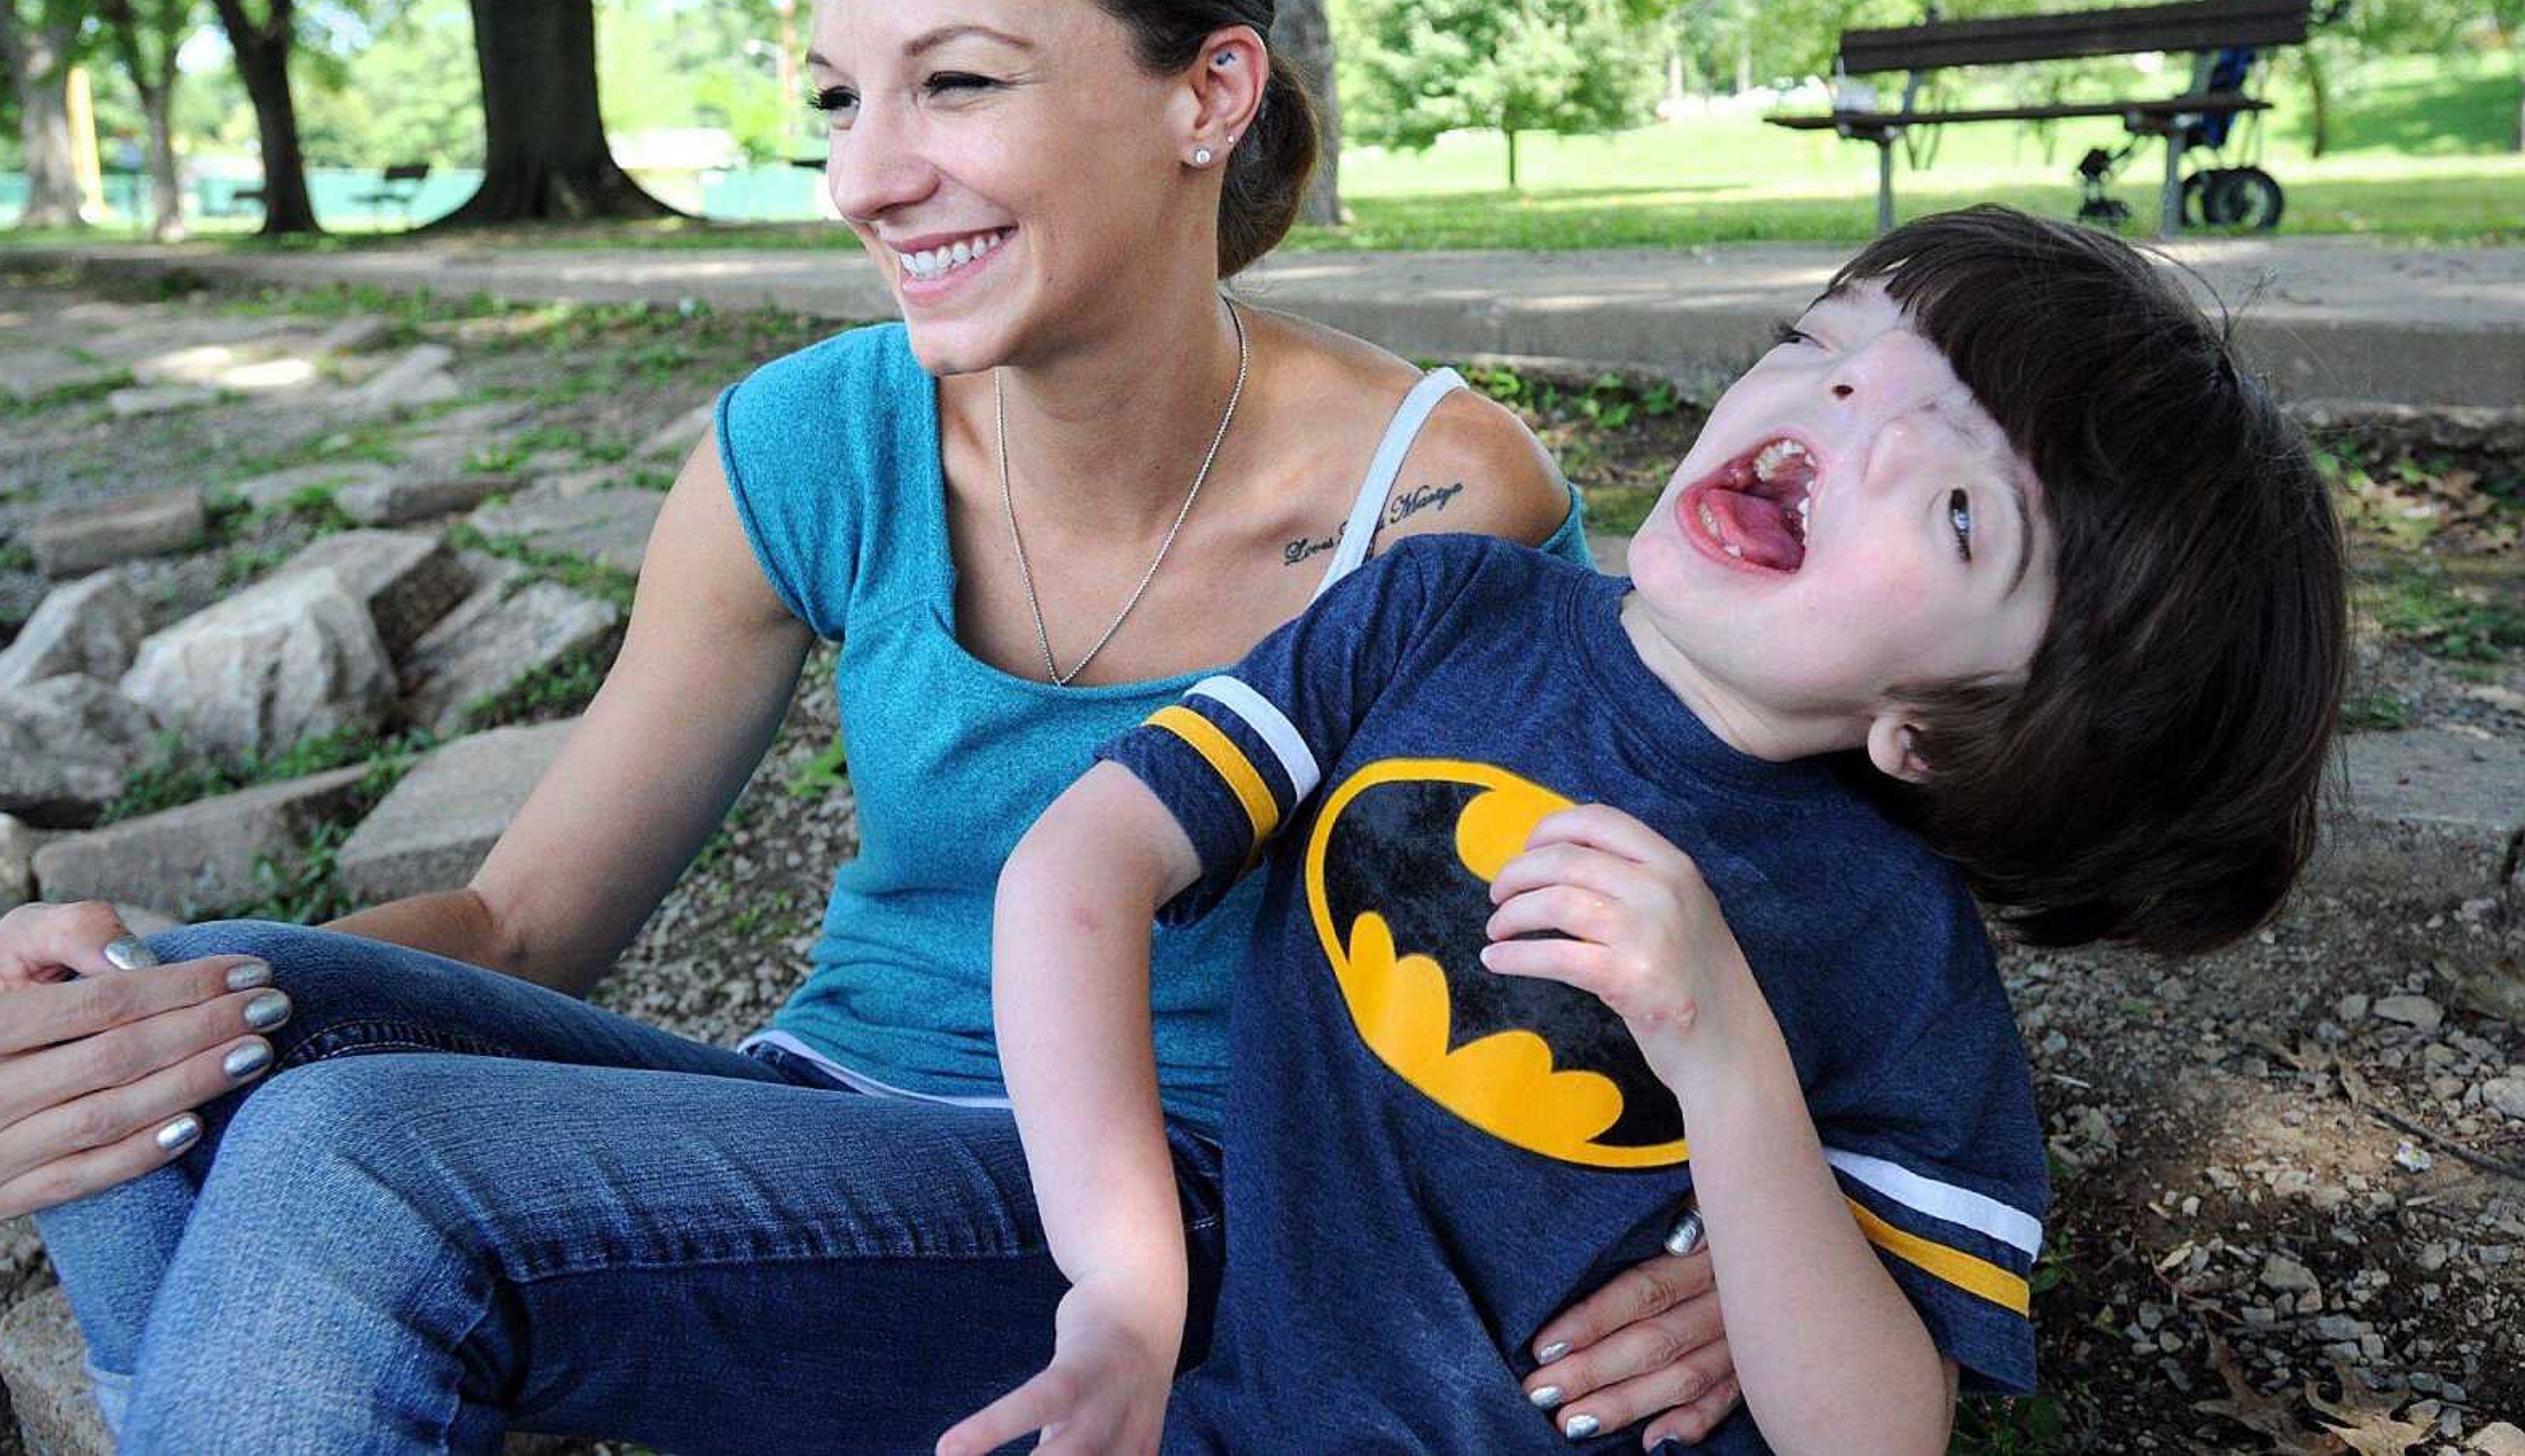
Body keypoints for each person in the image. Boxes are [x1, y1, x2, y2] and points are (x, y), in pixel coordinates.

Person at [0, 0, 1747, 1451]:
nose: (866, 178)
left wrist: (1755, 1235)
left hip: (1184, 1205)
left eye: (956, 82)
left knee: (348, 1169)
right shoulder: (811, 446)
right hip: (811, 1138)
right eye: (835, 96)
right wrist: (110, 1027)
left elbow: (1660, 927)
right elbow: (520, 924)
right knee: (151, 1040)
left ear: (1209, 92)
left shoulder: (1426, 498)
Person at [939, 208, 2348, 1455]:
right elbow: (1082, 863)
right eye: (1831, 342)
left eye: (1964, 505)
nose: (1864, 406)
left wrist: (1730, 1058)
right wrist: (1122, 1294)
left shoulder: (1894, 940)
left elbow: (1874, 1430)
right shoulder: (1432, 616)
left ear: (1936, 728)